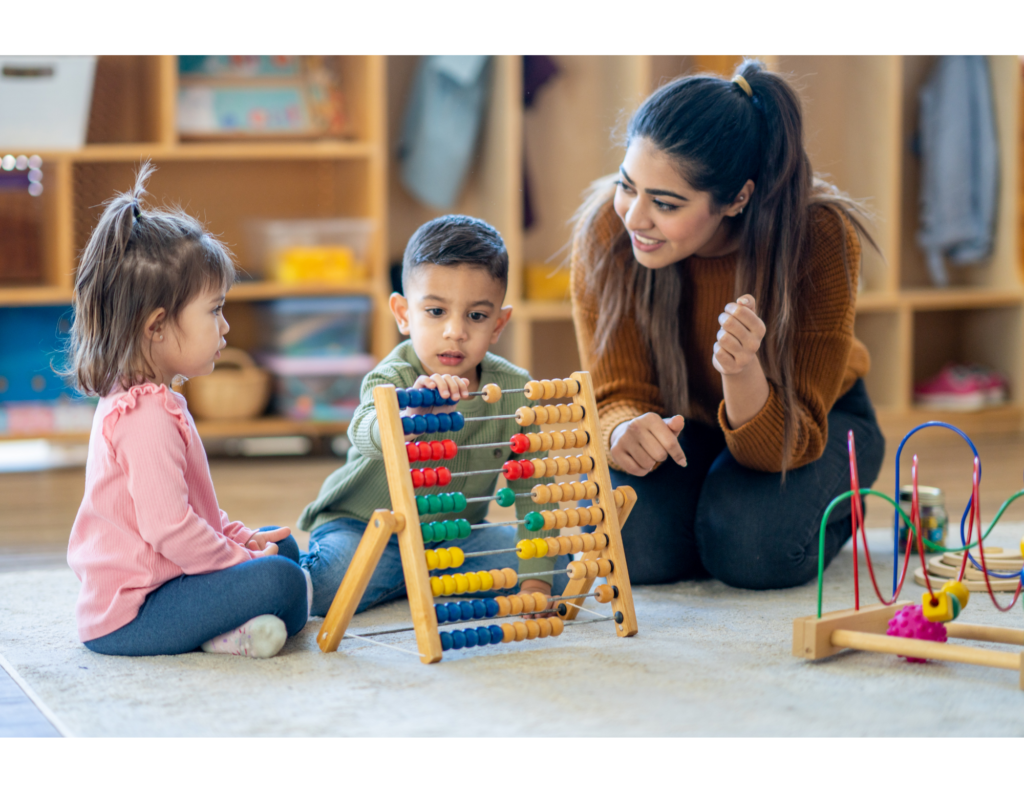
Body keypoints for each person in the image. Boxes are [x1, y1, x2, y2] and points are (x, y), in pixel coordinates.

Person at [569, 59, 886, 590]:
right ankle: (710, 509)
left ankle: (817, 508)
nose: (634, 217)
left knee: (752, 549)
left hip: (811, 423)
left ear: (738, 197)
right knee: (625, 544)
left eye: (666, 203)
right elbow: (615, 392)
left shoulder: (819, 237)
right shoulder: (608, 229)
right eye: (629, 185)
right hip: (684, 419)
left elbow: (790, 440)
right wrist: (621, 428)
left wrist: (741, 374)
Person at [65, 164, 308, 658]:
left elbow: (191, 512)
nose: (225, 329)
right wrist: (241, 558)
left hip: (168, 582)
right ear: (157, 326)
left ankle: (227, 630)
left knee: (283, 549)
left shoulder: (155, 398)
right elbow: (170, 529)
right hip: (135, 615)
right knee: (285, 581)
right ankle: (222, 631)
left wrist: (240, 539)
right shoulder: (145, 416)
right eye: (214, 310)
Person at [298, 215, 565, 617]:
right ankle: (385, 575)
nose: (455, 331)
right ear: (403, 314)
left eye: (476, 316)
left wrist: (535, 584)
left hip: (454, 540)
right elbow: (362, 431)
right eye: (436, 311)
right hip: (369, 529)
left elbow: (535, 493)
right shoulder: (394, 375)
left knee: (554, 568)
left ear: (499, 324)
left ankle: (405, 580)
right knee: (322, 586)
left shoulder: (515, 391)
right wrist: (406, 416)